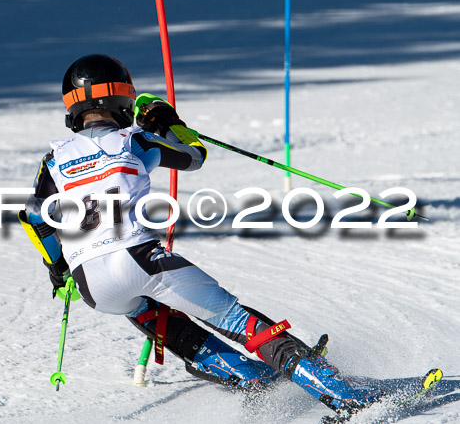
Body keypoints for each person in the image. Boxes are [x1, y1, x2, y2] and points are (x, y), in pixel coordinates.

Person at [19, 54, 378, 414]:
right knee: (233, 318)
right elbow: (193, 155)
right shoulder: (134, 140)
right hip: (138, 257)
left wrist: (59, 268)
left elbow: (34, 217)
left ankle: (246, 375)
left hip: (93, 285)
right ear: (122, 98)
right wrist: (167, 122)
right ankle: (339, 392)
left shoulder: (53, 158)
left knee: (147, 309)